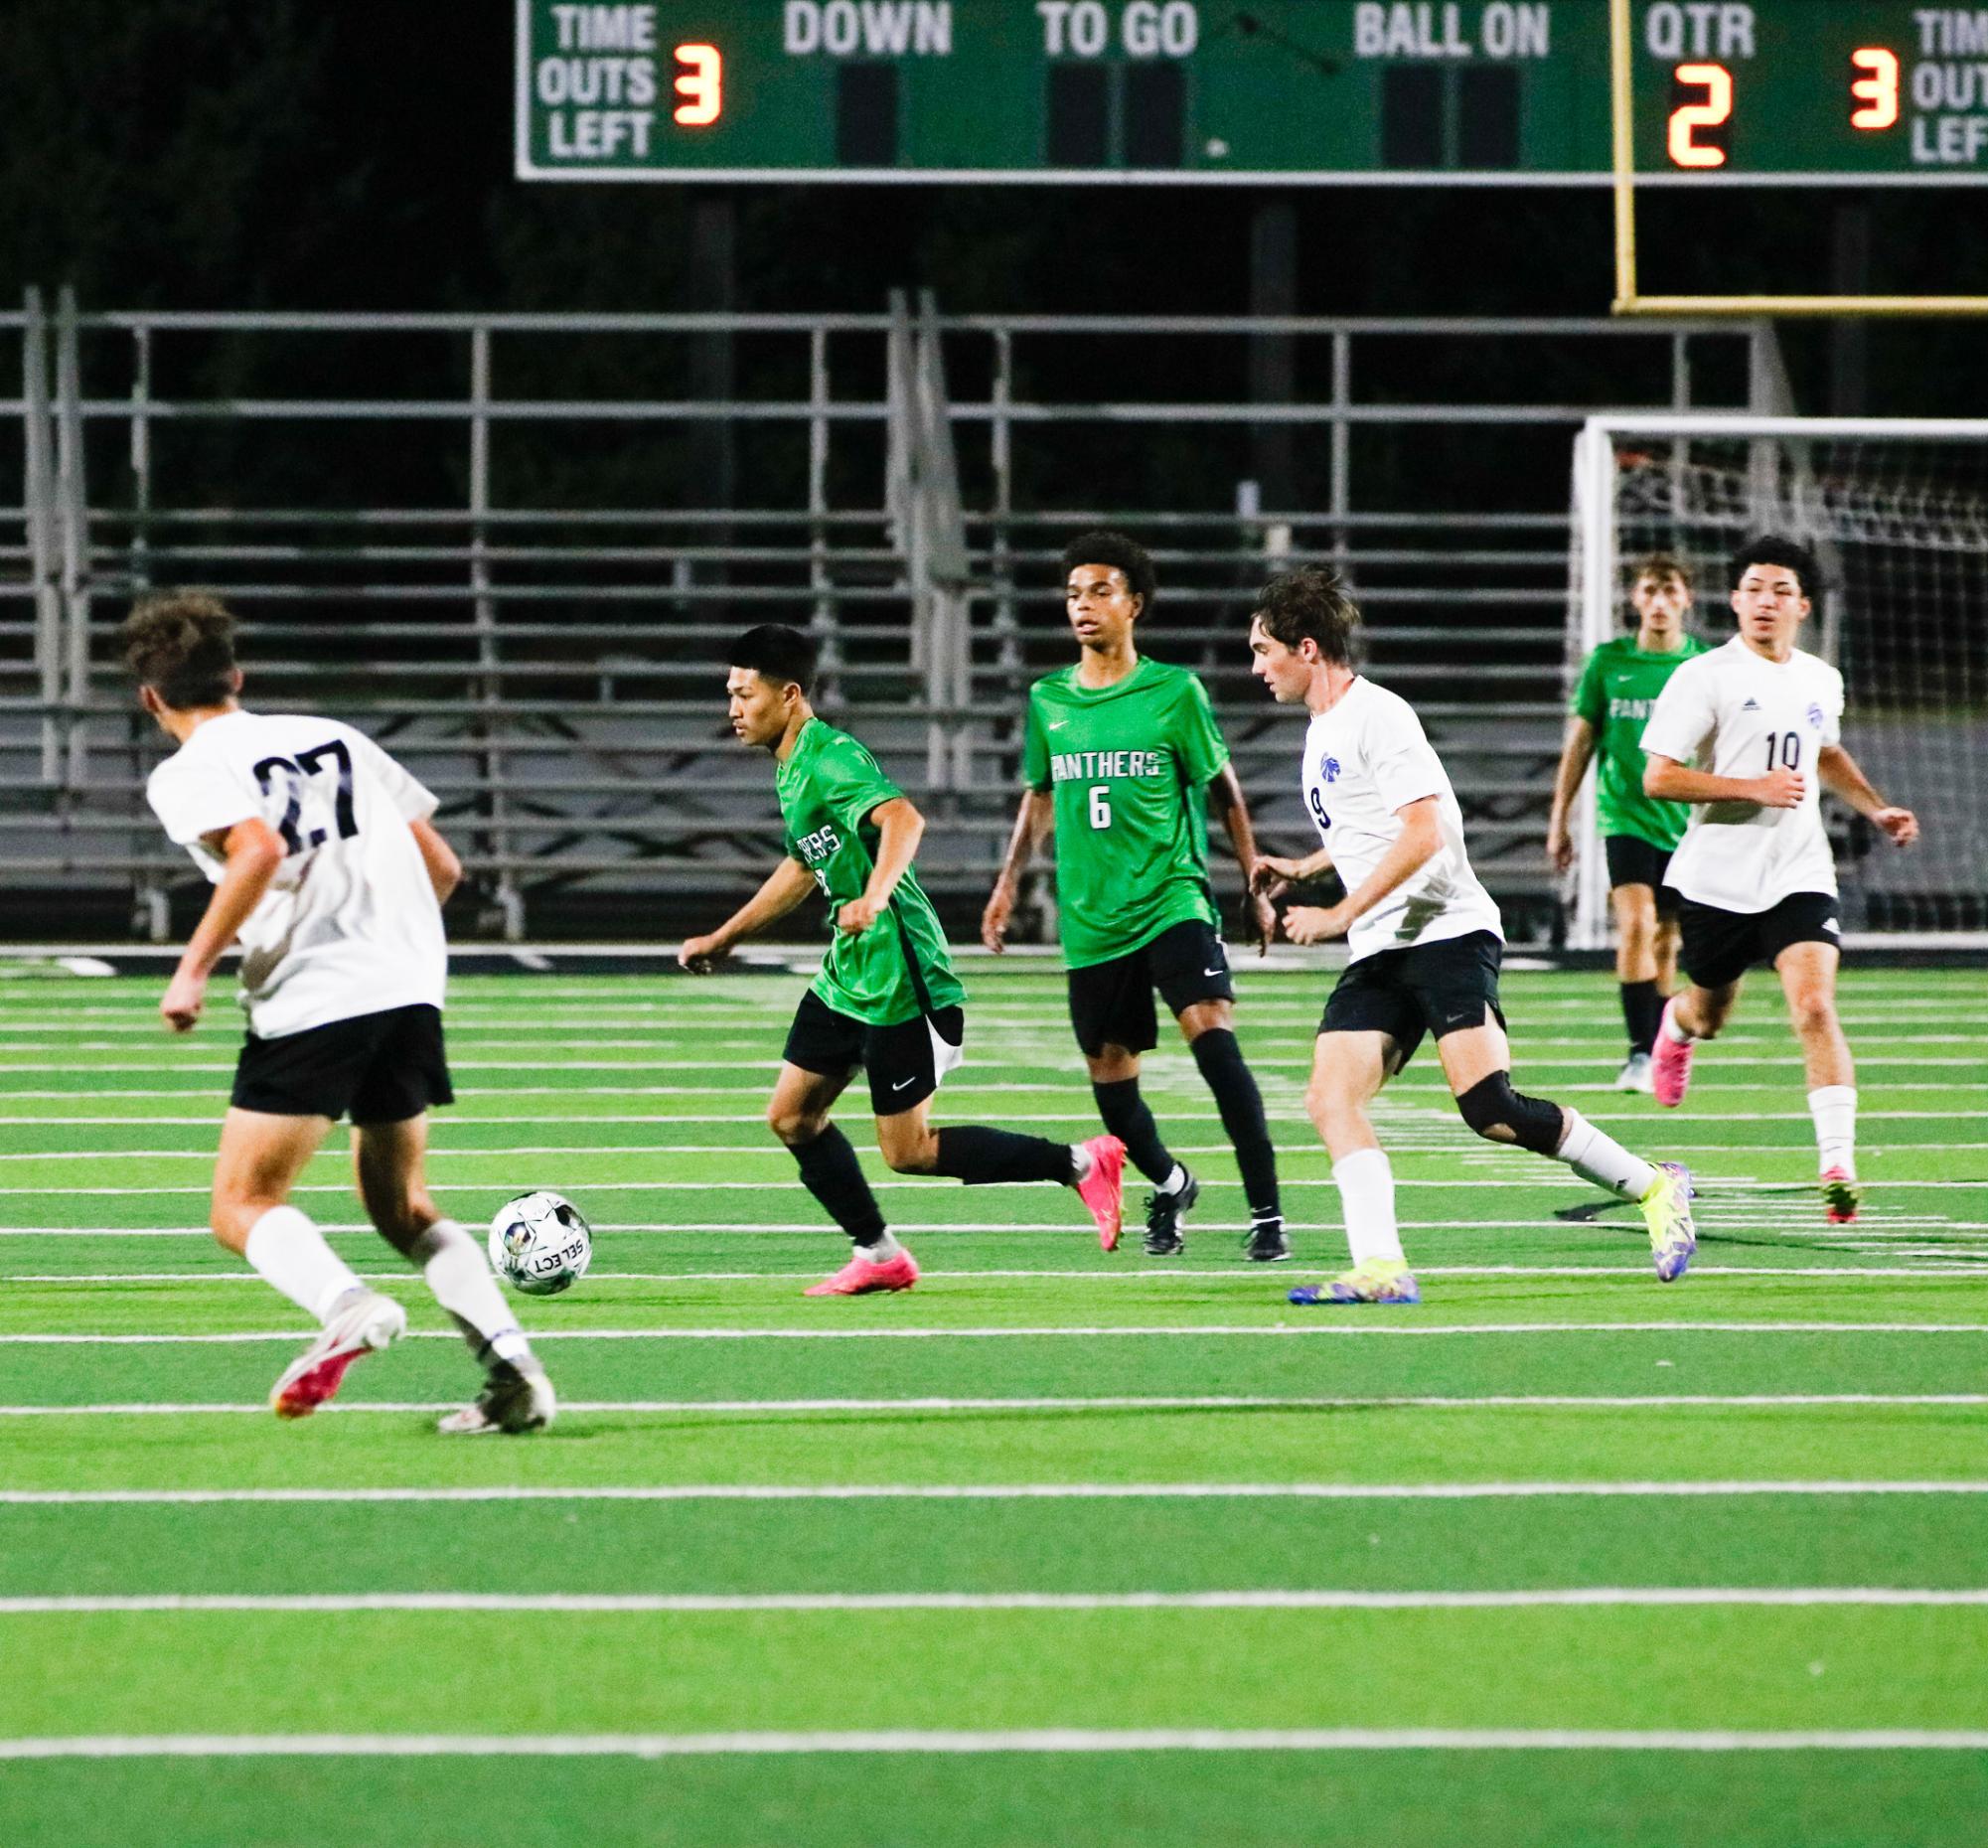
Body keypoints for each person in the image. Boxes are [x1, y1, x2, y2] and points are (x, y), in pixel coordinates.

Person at [124, 593, 552, 1433]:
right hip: (409, 983)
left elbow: (259, 848)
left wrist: (192, 970)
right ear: (236, 676)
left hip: (319, 990)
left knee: (241, 1203)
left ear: (151, 699)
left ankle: (345, 1305)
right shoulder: (336, 736)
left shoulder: (184, 771)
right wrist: (387, 942)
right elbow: (443, 866)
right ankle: (514, 1374)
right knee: (402, 1207)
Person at [1244, 566, 1698, 1304]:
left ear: (1306, 647)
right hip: (1384, 948)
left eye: (1263, 650)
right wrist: (1304, 867)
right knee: (1330, 1099)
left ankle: (1653, 1186)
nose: (1255, 667)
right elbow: (1375, 823)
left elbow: (1424, 832)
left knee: (1490, 1111)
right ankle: (1381, 1269)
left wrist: (1335, 913)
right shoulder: (1325, 727)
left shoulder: (1376, 715)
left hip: (1446, 933)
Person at [679, 623, 1126, 1295]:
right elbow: (806, 863)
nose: (732, 709)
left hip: (902, 980)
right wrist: (726, 936)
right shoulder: (792, 764)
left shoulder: (830, 757)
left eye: (744, 695)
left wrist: (876, 896)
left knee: (908, 1152)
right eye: (729, 694)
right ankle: (879, 1253)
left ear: (790, 695)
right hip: (849, 973)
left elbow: (903, 819)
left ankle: (1079, 1165)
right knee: (792, 1117)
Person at [982, 531, 1288, 1262]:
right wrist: (1007, 883)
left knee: (1214, 1045)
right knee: (1112, 1089)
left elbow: (1223, 789)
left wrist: (1252, 881)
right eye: (1072, 594)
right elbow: (1039, 797)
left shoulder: (1174, 692)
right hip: (1091, 918)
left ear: (1134, 604)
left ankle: (1268, 1215)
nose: (1082, 606)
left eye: (1099, 592)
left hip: (1170, 899)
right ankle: (1172, 1182)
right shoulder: (1048, 699)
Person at [1639, 537, 1919, 1225]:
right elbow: (1658, 776)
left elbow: (1823, 753)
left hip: (1798, 870)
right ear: (1734, 601)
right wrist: (1750, 788)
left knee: (1815, 1008)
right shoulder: (1703, 677)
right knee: (1710, 1015)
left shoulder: (1820, 679)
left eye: (1778, 590)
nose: (1764, 601)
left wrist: (1874, 806)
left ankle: (1837, 1165)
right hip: (1717, 877)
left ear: (1801, 605)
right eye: (1752, 589)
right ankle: (1674, 1025)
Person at [1546, 553, 1709, 1090]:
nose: (1659, 602)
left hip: (1686, 823)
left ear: (1686, 599)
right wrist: (1559, 818)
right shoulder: (1608, 662)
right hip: (1626, 816)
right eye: (1649, 591)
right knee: (1636, 925)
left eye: (1670, 591)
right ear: (1635, 600)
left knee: (1666, 940)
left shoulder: (1704, 667)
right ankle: (1639, 1053)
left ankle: (1659, 1047)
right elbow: (1581, 743)